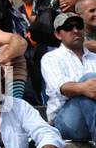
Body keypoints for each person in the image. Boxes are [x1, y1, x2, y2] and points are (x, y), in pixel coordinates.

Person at [41, 11, 96, 139]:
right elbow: (62, 88)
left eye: (79, 26)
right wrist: (85, 88)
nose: (75, 30)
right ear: (58, 34)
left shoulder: (94, 57)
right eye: (68, 27)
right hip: (66, 120)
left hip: (90, 118)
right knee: (89, 80)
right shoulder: (51, 58)